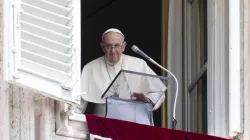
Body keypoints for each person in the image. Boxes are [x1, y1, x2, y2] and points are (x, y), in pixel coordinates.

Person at [80, 28, 165, 117]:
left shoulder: (139, 64)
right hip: (103, 125)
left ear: (123, 46)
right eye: (109, 46)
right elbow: (78, 104)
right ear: (102, 46)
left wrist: (147, 100)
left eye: (116, 45)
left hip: (134, 123)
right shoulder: (90, 68)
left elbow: (158, 91)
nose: (113, 51)